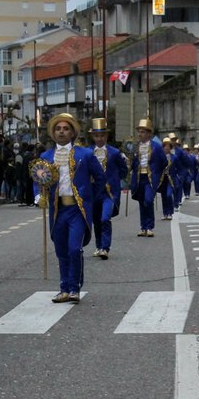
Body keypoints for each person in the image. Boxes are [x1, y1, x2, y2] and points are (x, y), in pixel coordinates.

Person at [35, 113, 104, 303]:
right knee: (61, 250)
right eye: (58, 129)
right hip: (58, 210)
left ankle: (75, 288)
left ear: (72, 132)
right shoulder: (46, 156)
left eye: (65, 129)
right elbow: (38, 179)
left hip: (77, 210)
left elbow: (99, 178)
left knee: (74, 248)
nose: (61, 132)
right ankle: (64, 288)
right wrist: (39, 196)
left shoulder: (85, 154)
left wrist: (89, 198)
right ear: (53, 133)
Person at [88, 118, 128, 259]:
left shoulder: (114, 153)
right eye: (97, 136)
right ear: (93, 136)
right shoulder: (87, 152)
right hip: (93, 192)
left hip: (109, 193)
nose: (100, 138)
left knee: (105, 218)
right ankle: (99, 246)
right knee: (96, 220)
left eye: (102, 135)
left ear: (106, 136)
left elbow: (123, 170)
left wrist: (114, 180)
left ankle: (105, 247)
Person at [129, 119, 167, 237]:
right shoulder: (135, 147)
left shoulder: (157, 147)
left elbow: (164, 162)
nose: (140, 134)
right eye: (139, 132)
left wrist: (157, 173)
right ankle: (143, 227)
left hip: (150, 178)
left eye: (143, 132)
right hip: (139, 178)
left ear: (149, 134)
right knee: (142, 202)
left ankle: (150, 227)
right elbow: (133, 163)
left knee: (148, 200)